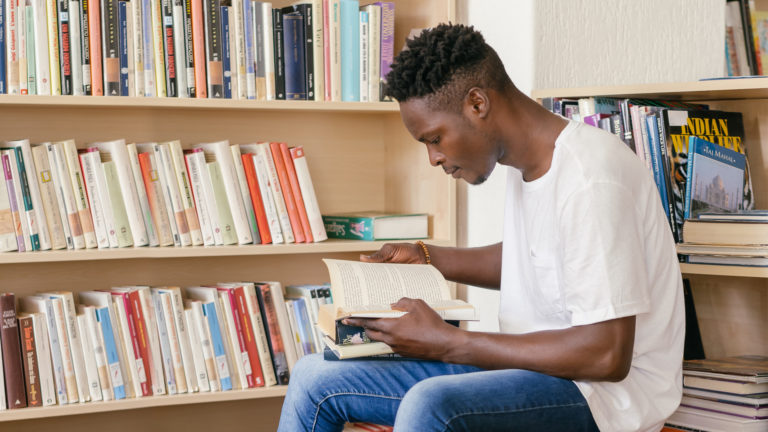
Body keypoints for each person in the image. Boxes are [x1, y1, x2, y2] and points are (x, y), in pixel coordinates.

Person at [278, 23, 684, 432]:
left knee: (431, 402)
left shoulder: (591, 177)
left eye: (434, 138)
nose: (433, 159)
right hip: (526, 373)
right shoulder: (528, 165)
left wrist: (451, 344)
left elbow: (606, 356)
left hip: (603, 398)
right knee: (315, 378)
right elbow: (535, 260)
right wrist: (427, 258)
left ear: (477, 104)